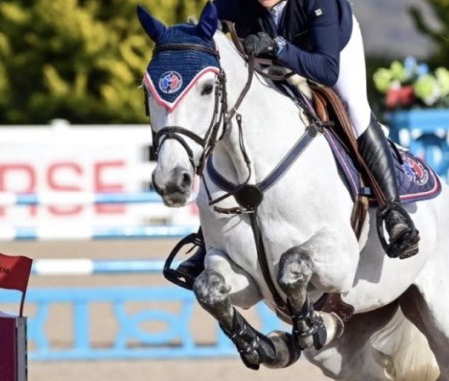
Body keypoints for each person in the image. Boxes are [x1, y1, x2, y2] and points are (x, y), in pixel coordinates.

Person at [173, 0, 420, 288]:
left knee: (355, 110)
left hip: (329, 52)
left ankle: (393, 212)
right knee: (228, 126)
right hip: (273, 61)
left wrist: (278, 48)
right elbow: (208, 19)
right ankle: (208, 239)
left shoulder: (319, 3)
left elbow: (326, 71)